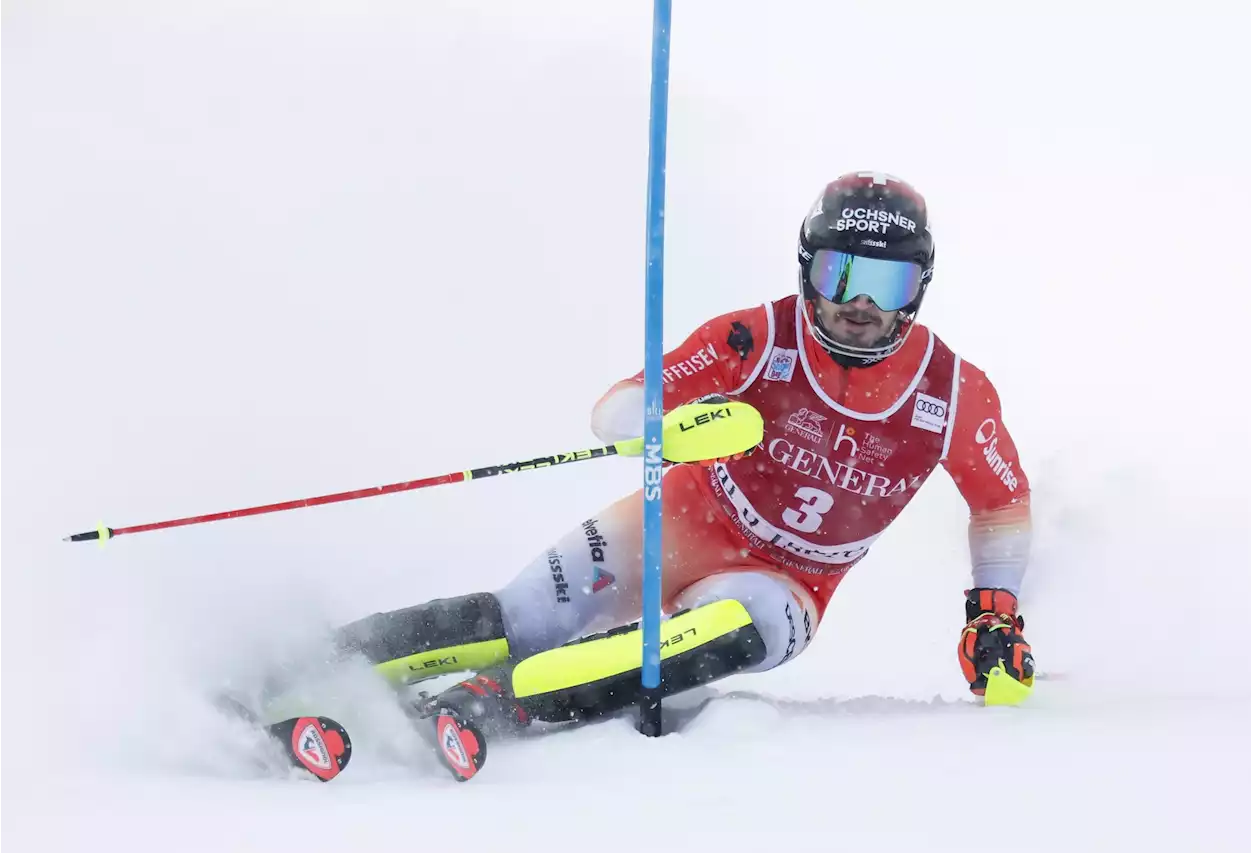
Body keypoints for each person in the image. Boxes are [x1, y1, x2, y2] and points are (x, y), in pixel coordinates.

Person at [336, 171, 1034, 760]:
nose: (859, 303)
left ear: (919, 288)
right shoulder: (756, 337)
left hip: (788, 584)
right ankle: (327, 658)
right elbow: (619, 405)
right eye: (839, 272)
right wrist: (662, 429)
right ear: (808, 270)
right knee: (522, 614)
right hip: (680, 522)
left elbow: (1002, 500)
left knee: (740, 620)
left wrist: (993, 612)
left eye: (887, 283)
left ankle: (499, 698)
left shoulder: (951, 393)